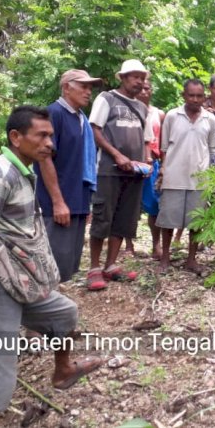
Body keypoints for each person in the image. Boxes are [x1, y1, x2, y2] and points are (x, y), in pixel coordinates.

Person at [0, 106, 101, 428]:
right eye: (42, 135)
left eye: (51, 135)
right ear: (16, 137)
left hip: (18, 280)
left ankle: (62, 371)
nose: (50, 143)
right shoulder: (0, 176)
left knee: (63, 313)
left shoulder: (23, 172)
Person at [87, 59, 151, 290]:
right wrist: (117, 156)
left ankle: (111, 265)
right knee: (103, 218)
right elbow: (94, 130)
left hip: (133, 174)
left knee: (124, 220)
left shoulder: (143, 108)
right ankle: (94, 268)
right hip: (108, 171)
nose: (139, 81)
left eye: (142, 77)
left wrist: (144, 163)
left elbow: (146, 140)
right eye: (134, 76)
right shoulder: (107, 99)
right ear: (122, 78)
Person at [35, 69, 102, 282]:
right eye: (83, 86)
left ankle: (57, 308)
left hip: (77, 200)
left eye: (90, 87)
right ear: (66, 88)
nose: (88, 92)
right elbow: (45, 158)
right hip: (58, 203)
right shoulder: (54, 114)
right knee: (53, 261)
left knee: (68, 263)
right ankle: (45, 309)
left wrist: (85, 203)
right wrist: (57, 202)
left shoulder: (80, 118)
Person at [156, 79, 215, 275]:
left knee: (196, 222)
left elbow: (212, 148)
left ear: (204, 97)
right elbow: (164, 147)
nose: (195, 99)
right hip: (174, 176)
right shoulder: (173, 116)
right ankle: (165, 258)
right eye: (191, 95)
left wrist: (210, 176)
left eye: (199, 96)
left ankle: (191, 259)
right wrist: (164, 169)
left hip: (199, 179)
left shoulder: (210, 119)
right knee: (168, 220)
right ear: (184, 95)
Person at [124, 77, 166, 260]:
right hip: (130, 163)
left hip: (152, 163)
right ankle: (128, 245)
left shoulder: (159, 114)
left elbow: (164, 141)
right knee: (128, 204)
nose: (143, 92)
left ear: (151, 91)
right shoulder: (126, 111)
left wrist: (164, 164)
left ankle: (156, 244)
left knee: (154, 205)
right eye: (140, 89)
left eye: (147, 88)